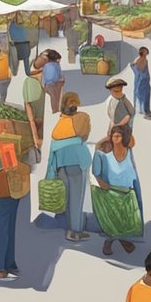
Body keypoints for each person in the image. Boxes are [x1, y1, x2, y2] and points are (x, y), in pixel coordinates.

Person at [46, 92, 92, 242]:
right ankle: (75, 232)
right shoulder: (81, 119)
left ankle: (67, 229)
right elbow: (84, 136)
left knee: (66, 198)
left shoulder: (60, 124)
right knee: (76, 199)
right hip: (76, 163)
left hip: (60, 165)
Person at [92, 125, 143, 257]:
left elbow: (131, 142)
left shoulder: (128, 150)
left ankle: (122, 239)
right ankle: (109, 241)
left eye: (119, 136)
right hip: (110, 191)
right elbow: (96, 171)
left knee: (127, 219)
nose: (116, 137)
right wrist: (108, 136)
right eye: (114, 135)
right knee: (112, 219)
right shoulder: (104, 153)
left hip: (126, 191)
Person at [40, 49, 65, 113]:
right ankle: (55, 110)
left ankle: (57, 109)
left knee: (55, 95)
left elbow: (44, 75)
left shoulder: (46, 65)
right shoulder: (55, 65)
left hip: (49, 84)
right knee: (54, 96)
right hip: (50, 84)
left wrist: (43, 84)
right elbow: (59, 75)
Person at [131, 47, 151, 118]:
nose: (146, 53)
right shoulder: (138, 59)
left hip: (145, 81)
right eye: (145, 51)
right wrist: (141, 75)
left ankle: (145, 110)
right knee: (140, 94)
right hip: (140, 81)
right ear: (142, 52)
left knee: (146, 94)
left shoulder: (146, 60)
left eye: (146, 51)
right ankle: (142, 111)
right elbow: (135, 68)